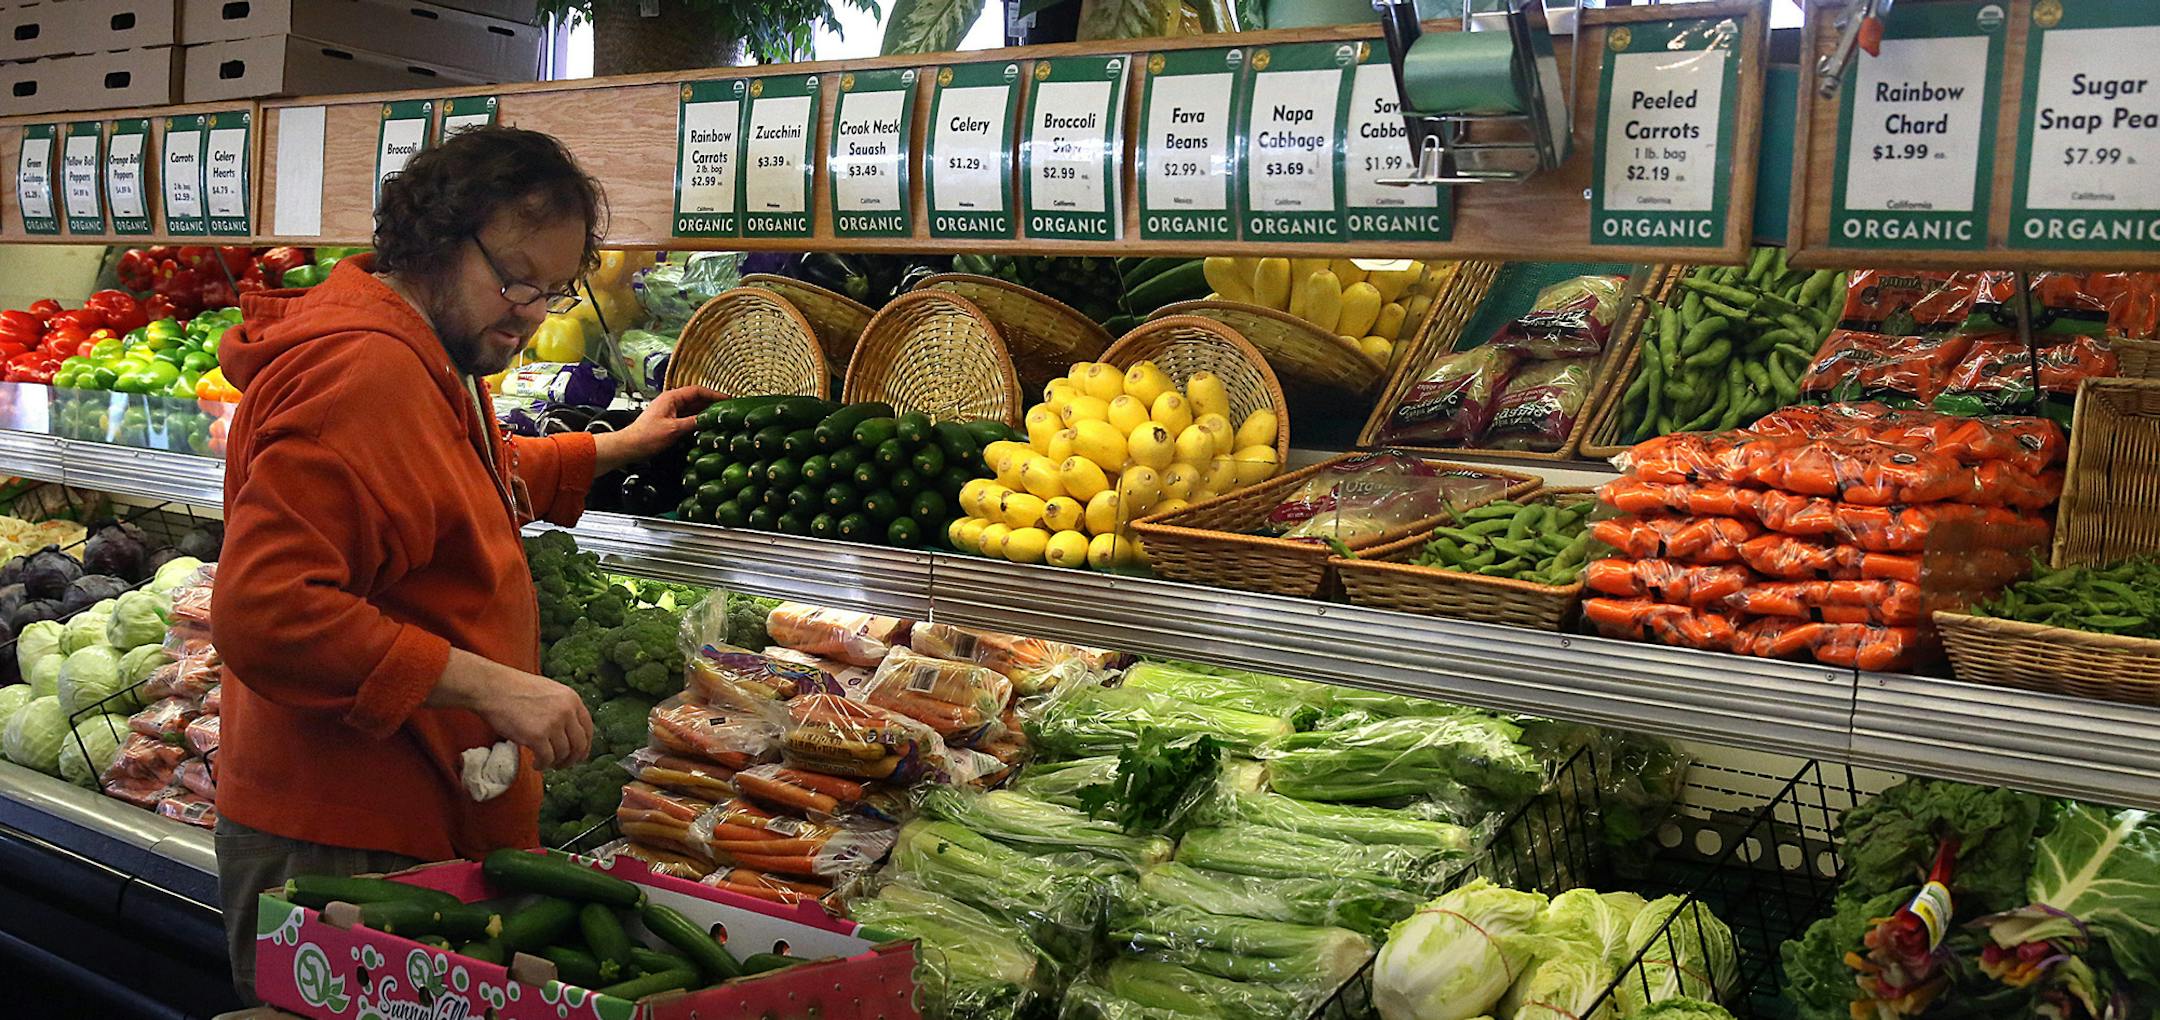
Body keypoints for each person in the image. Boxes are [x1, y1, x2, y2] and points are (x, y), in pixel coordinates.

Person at [207, 126, 712, 1002]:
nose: (528, 312)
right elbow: (267, 611)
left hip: (389, 813)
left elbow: (450, 483)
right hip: (345, 838)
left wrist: (612, 447)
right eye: (515, 280)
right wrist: (488, 684)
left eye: (551, 293)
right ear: (438, 239)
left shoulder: (424, 351)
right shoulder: (367, 373)